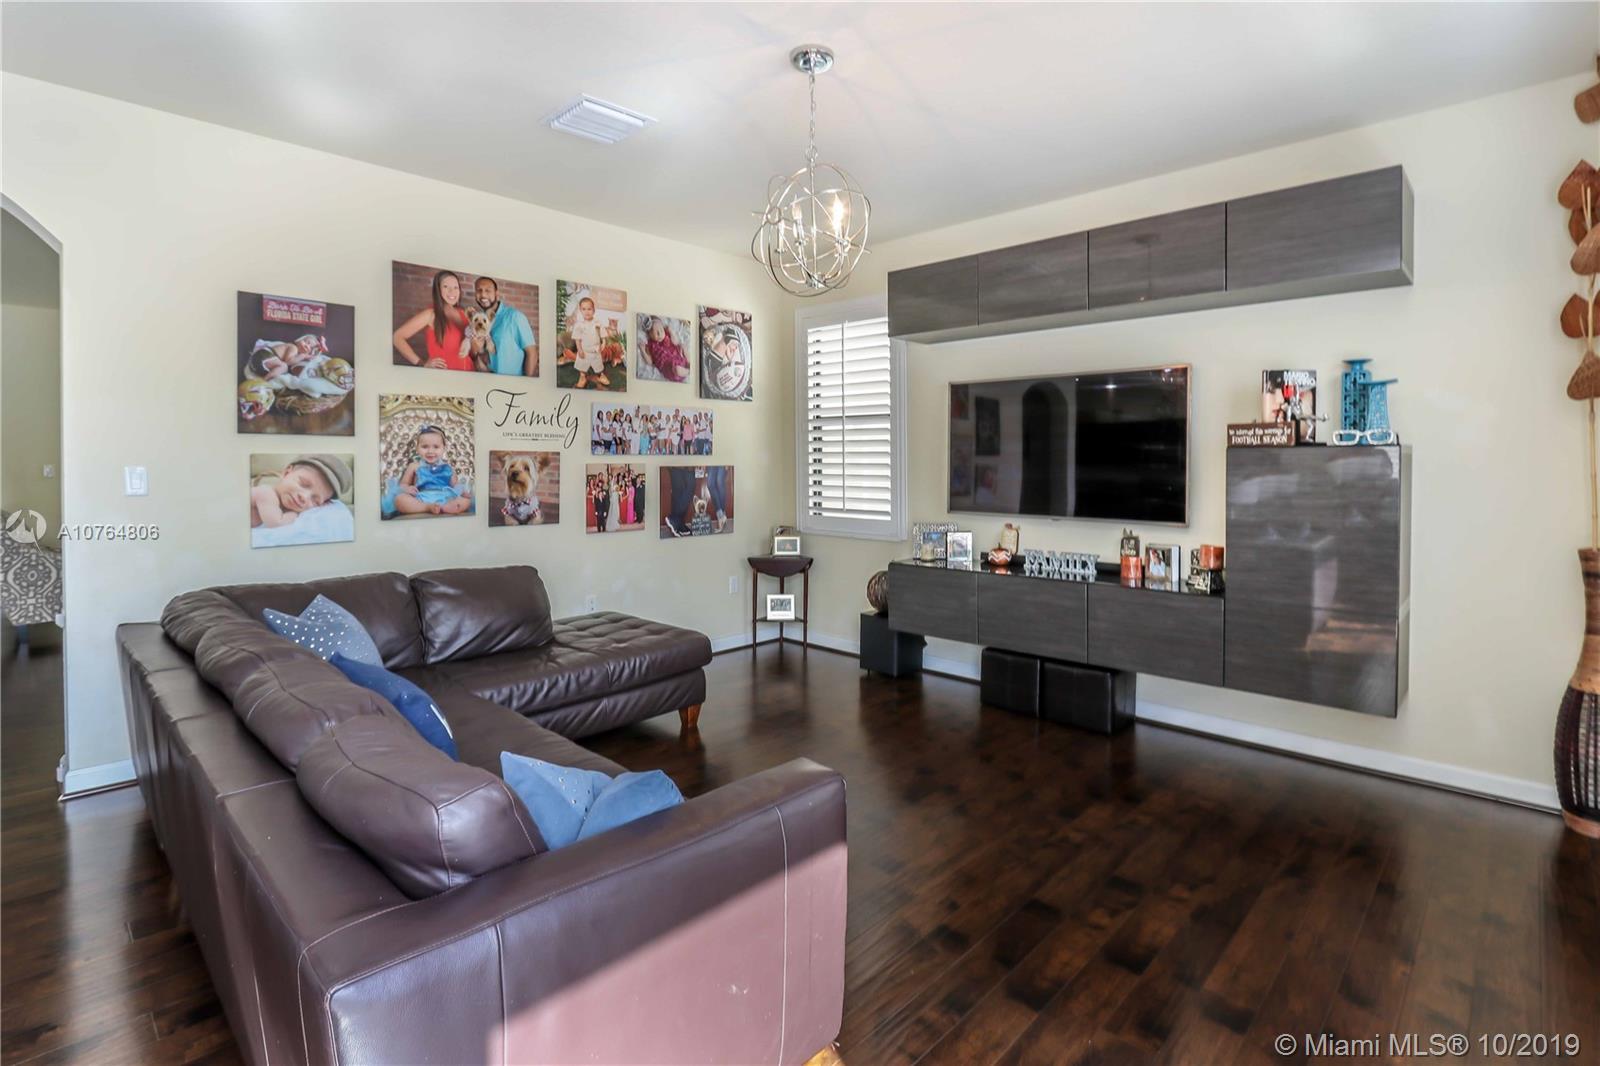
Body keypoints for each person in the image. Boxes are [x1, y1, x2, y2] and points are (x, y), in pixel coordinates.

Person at [385, 424, 472, 516]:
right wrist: (407, 488)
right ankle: (427, 507)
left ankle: (444, 507)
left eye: (436, 447)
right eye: (425, 447)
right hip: (421, 498)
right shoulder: (414, 466)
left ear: (444, 448)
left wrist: (463, 492)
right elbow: (403, 484)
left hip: (446, 498)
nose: (430, 451)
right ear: (417, 448)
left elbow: (456, 485)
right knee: (399, 499)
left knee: (466, 501)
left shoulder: (448, 467)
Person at [393, 270, 472, 371]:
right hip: (443, 376)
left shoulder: (464, 314)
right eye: (446, 287)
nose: (452, 291)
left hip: (469, 372)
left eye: (456, 287)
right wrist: (421, 364)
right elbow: (397, 337)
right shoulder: (431, 314)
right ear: (438, 290)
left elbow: (473, 349)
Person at [251, 454, 349, 528]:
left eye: (315, 501)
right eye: (303, 484)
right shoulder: (266, 494)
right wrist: (296, 514)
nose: (304, 497)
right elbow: (277, 524)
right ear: (287, 472)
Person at [474, 277, 538, 376]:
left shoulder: (515, 317)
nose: (483, 295)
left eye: (488, 290)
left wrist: (527, 383)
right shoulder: (477, 321)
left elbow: (532, 353)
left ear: (496, 294)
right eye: (479, 290)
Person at [570, 295, 608, 388]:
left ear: (593, 310)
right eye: (584, 309)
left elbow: (603, 334)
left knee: (598, 365)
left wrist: (603, 342)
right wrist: (579, 349)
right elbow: (577, 339)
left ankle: (601, 375)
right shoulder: (579, 325)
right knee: (582, 365)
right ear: (580, 310)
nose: (587, 312)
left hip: (595, 350)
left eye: (589, 309)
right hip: (584, 350)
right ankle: (582, 377)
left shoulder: (597, 322)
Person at [641, 316, 689, 382]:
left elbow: (676, 342)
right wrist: (643, 350)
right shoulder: (650, 345)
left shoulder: (667, 335)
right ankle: (688, 372)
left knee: (683, 346)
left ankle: (689, 363)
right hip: (670, 368)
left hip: (679, 357)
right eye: (656, 332)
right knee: (677, 369)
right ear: (650, 334)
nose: (660, 333)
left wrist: (671, 332)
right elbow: (650, 362)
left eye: (661, 330)